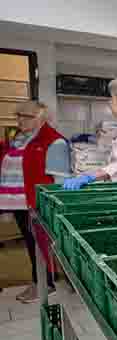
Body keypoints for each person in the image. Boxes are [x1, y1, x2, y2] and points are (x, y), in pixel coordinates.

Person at [0, 101, 68, 302]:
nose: (19, 120)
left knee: (38, 243)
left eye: (25, 116)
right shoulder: (19, 139)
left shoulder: (54, 142)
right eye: (18, 115)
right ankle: (40, 281)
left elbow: (59, 181)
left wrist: (53, 208)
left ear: (40, 118)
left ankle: (45, 283)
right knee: (32, 243)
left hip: (35, 203)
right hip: (16, 201)